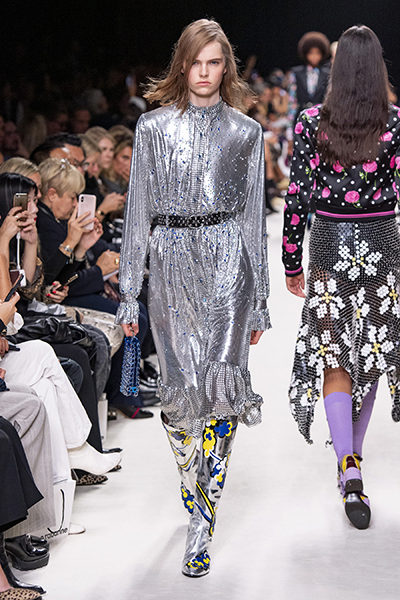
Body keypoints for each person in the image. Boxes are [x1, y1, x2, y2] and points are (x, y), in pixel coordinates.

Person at [116, 18, 270, 576]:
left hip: (229, 263)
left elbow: (253, 219)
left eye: (214, 63)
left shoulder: (246, 133)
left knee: (222, 391)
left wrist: (259, 298)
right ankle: (193, 488)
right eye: (196, 62)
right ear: (182, 65)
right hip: (172, 262)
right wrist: (128, 291)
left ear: (226, 68)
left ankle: (202, 523)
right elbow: (138, 211)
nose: (204, 73)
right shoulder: (152, 127)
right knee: (181, 400)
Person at [283, 25, 400, 531]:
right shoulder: (395, 123)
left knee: (334, 353)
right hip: (381, 244)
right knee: (370, 352)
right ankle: (353, 461)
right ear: (377, 68)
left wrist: (291, 261)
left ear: (337, 69)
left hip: (330, 243)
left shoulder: (312, 122)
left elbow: (297, 195)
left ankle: (348, 468)